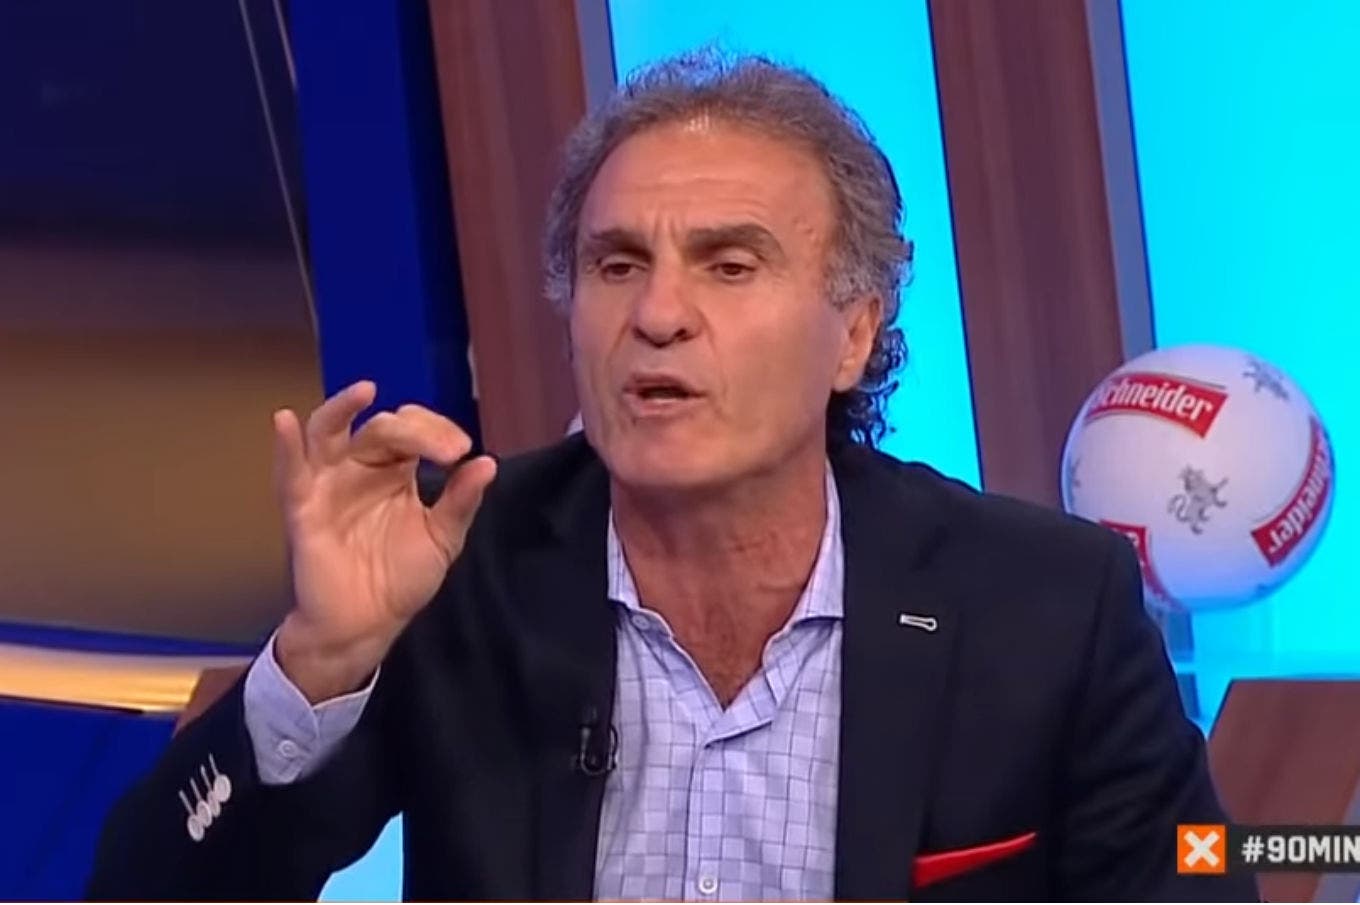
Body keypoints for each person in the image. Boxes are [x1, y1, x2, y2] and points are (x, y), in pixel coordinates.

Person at [88, 52, 1255, 901]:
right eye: (615, 265)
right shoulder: (457, 568)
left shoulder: (1044, 603)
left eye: (728, 264)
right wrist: (321, 661)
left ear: (853, 333)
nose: (656, 313)